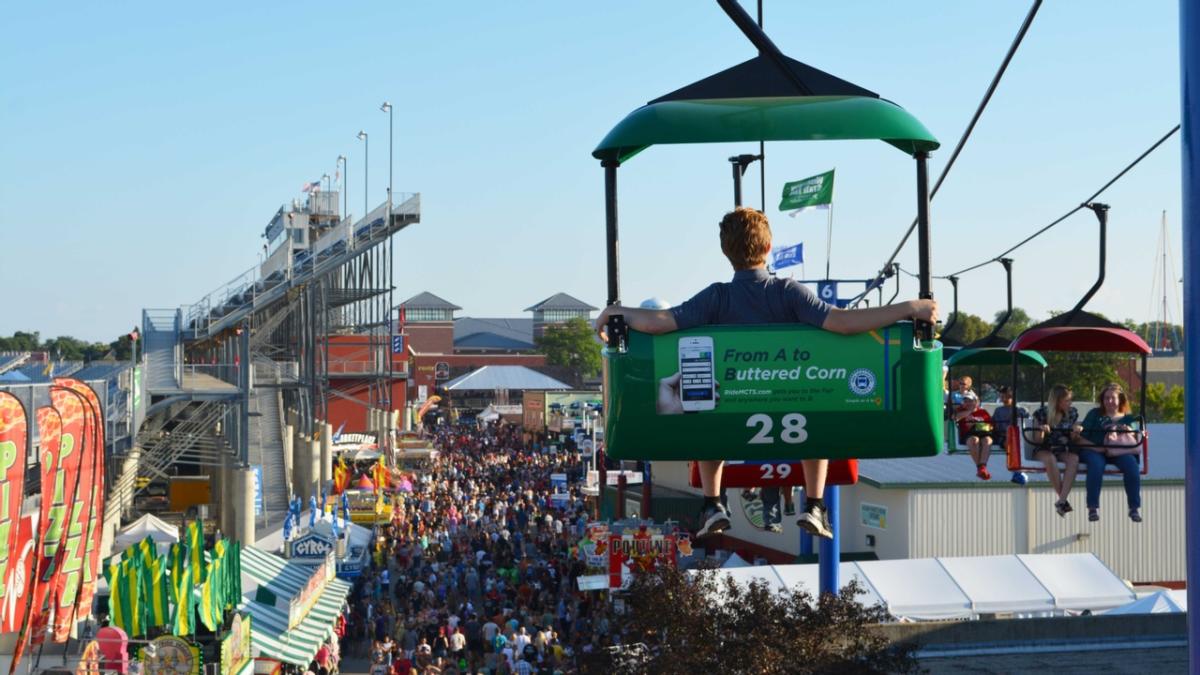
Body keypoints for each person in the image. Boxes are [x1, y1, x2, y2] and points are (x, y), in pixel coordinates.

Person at [595, 207, 938, 540]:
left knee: (706, 415)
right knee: (816, 419)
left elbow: (661, 323)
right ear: (768, 248)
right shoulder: (787, 293)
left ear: (726, 252)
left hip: (729, 419)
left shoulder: (717, 297)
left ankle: (713, 502)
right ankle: (815, 504)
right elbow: (844, 324)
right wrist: (910, 308)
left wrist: (616, 312)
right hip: (793, 416)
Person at [1078, 383, 1143, 522]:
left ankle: (1134, 508)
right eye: (1106, 398)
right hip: (1094, 450)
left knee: (1131, 466)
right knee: (1096, 465)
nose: (1109, 401)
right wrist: (1098, 448)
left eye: (1112, 398)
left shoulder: (1128, 418)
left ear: (1120, 400)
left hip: (1119, 451)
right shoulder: (1095, 415)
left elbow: (1135, 436)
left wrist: (1128, 430)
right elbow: (1080, 437)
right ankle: (1092, 507)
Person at [1032, 384, 1083, 517]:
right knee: (1050, 458)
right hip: (1044, 448)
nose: (1070, 403)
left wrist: (1076, 431)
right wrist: (1042, 431)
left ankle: (1061, 501)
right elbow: (1037, 441)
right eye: (1067, 400)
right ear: (1057, 401)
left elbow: (1073, 438)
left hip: (1062, 448)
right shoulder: (1041, 413)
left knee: (1074, 459)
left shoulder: (1072, 413)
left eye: (1070, 400)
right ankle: (1063, 500)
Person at [955, 395, 994, 480]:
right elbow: (954, 418)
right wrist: (969, 413)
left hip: (983, 432)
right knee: (974, 440)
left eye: (970, 401)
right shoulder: (961, 411)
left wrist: (980, 424)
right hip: (969, 434)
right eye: (966, 401)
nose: (968, 403)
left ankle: (982, 467)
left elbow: (991, 425)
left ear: (976, 402)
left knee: (987, 440)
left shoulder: (983, 412)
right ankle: (980, 467)